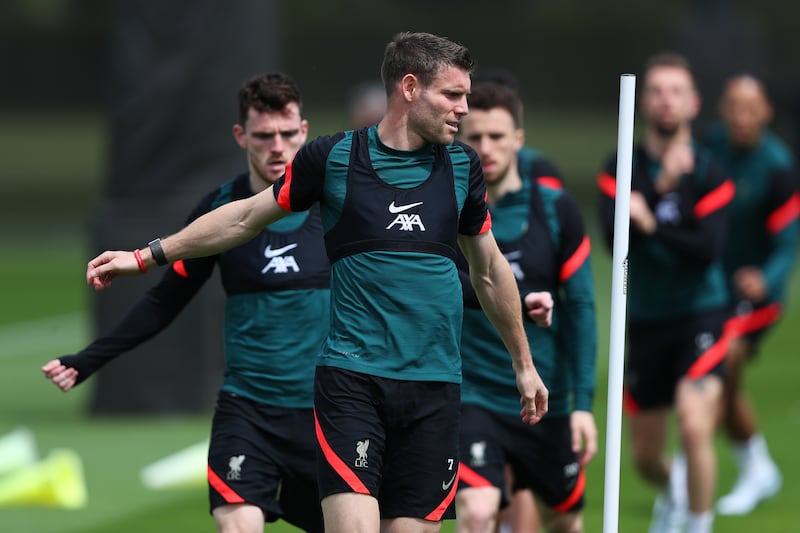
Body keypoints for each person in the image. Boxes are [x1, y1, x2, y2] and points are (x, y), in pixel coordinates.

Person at [80, 32, 552, 533]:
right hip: (353, 386)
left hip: (435, 389)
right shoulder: (334, 159)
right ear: (410, 88)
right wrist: (148, 254)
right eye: (453, 95)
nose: (465, 109)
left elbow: (489, 268)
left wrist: (523, 363)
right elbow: (243, 218)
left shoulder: (462, 166)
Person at [42, 72, 327, 533]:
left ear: (304, 131)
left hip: (328, 412)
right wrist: (89, 359)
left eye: (287, 134)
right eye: (263, 135)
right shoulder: (217, 214)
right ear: (241, 136)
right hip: (248, 409)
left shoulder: (336, 206)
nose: (277, 146)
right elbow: (165, 301)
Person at [597, 52, 734, 533]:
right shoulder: (621, 164)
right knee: (646, 456)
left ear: (693, 102)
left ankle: (697, 524)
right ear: (643, 101)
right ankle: (676, 491)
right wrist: (659, 186)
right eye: (655, 90)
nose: (665, 100)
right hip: (646, 318)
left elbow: (707, 249)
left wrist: (651, 218)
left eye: (676, 91)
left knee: (696, 424)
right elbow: (616, 244)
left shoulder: (710, 170)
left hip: (700, 312)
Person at [454, 81, 598, 533]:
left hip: (546, 400)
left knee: (564, 520)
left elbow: (583, 309)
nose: (485, 148)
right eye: (474, 137)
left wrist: (582, 404)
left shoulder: (555, 210)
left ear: (519, 138)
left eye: (497, 136)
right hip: (473, 395)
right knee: (478, 512)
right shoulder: (446, 211)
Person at [703, 74, 799, 516]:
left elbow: (788, 240)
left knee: (722, 367)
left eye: (750, 108)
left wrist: (766, 276)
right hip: (711, 287)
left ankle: (692, 473)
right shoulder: (710, 148)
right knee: (724, 379)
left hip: (758, 294)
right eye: (733, 107)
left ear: (766, 112)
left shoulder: (778, 166)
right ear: (722, 110)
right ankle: (758, 466)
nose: (741, 117)